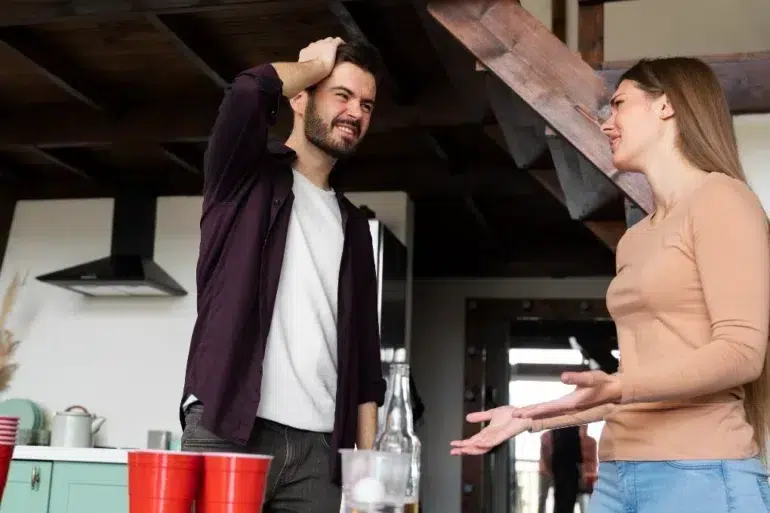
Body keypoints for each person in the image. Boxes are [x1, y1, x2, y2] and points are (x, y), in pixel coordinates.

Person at [450, 56, 770, 513]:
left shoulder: (722, 199)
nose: (607, 124)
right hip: (619, 472)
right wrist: (528, 418)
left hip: (700, 472)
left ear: (666, 106)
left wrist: (620, 388)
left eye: (618, 104)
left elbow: (741, 353)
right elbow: (629, 384)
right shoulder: (635, 239)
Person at [178, 37, 387, 513]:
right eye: (342, 94)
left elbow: (365, 362)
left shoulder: (354, 227)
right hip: (228, 428)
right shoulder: (243, 179)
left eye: (367, 104)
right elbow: (248, 91)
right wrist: (314, 64)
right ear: (302, 96)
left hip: (319, 454)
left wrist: (365, 471)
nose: (356, 111)